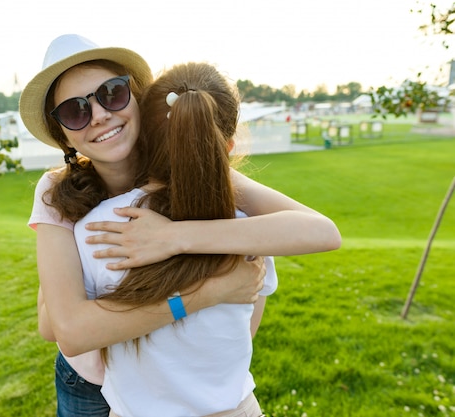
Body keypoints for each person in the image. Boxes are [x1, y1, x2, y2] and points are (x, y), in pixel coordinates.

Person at [20, 34, 341, 417]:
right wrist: (209, 292)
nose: (100, 114)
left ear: (136, 95)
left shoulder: (192, 173)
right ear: (63, 135)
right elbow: (55, 324)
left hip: (155, 386)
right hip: (88, 378)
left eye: (111, 93)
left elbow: (321, 231)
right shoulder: (58, 191)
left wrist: (173, 237)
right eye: (75, 111)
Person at [74, 62, 280, 417]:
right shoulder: (251, 230)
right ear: (227, 146)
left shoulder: (96, 231)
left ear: (145, 138)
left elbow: (80, 347)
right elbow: (246, 330)